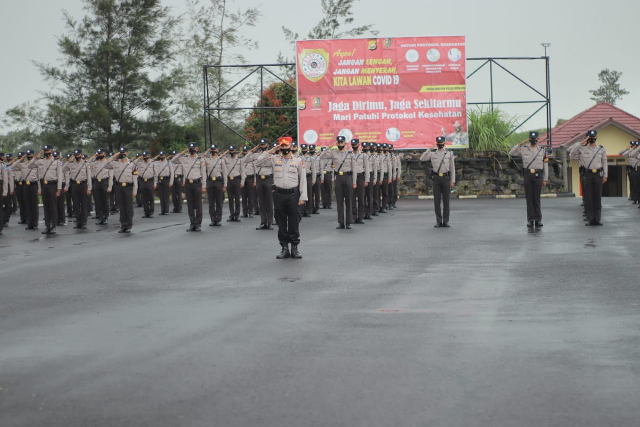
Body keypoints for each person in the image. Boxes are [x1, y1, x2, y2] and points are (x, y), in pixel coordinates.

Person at [256, 136, 307, 259]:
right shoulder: (274, 159)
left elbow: (303, 179)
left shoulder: (298, 160)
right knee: (281, 221)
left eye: (286, 145)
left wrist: (303, 196)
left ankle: (294, 248)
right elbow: (259, 162)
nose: (284, 148)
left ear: (290, 146)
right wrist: (271, 150)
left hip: (293, 195)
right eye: (282, 146)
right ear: (280, 146)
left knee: (294, 222)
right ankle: (284, 248)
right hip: (279, 194)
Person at [509, 131, 548, 228]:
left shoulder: (542, 151)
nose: (533, 141)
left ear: (537, 139)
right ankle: (530, 220)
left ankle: (538, 220)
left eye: (535, 139)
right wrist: (520, 144)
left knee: (537, 199)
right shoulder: (524, 149)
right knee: (529, 198)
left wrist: (545, 179)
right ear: (529, 139)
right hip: (528, 175)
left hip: (538, 175)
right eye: (531, 139)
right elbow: (511, 152)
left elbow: (545, 165)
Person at [569, 130, 607, 226]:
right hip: (587, 174)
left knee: (597, 197)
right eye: (590, 137)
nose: (592, 139)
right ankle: (591, 219)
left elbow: (604, 162)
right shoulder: (582, 148)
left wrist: (605, 175)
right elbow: (572, 154)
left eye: (593, 137)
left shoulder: (601, 149)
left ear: (596, 137)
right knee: (589, 197)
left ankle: (597, 219)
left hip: (598, 174)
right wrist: (581, 142)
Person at [319, 135, 357, 229]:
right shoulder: (333, 153)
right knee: (339, 201)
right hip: (338, 179)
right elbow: (321, 156)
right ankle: (341, 222)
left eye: (342, 142)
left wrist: (354, 182)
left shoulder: (350, 154)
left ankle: (348, 222)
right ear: (337, 143)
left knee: (348, 201)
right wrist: (329, 147)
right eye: (338, 142)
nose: (340, 144)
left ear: (345, 143)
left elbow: (354, 169)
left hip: (348, 177)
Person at [27, 145, 63, 234]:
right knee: (46, 207)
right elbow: (29, 166)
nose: (46, 152)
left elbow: (60, 176)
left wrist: (59, 189)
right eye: (45, 150)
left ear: (51, 150)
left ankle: (53, 226)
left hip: (52, 185)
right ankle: (47, 226)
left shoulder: (56, 162)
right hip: (44, 185)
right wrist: (36, 158)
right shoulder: (40, 161)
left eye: (48, 150)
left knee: (53, 207)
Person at [420, 136, 456, 227]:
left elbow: (452, 168)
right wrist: (429, 149)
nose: (440, 144)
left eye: (441, 143)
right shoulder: (432, 154)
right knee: (437, 201)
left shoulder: (449, 154)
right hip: (436, 179)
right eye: (438, 143)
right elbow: (422, 158)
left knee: (446, 201)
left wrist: (453, 180)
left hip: (446, 178)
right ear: (436, 144)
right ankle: (439, 221)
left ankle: (446, 221)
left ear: (444, 144)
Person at [173, 142, 207, 231]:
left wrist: (204, 186)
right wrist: (183, 152)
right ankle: (192, 224)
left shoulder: (201, 159)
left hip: (197, 183)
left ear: (197, 149)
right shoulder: (184, 158)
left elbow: (203, 173)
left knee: (198, 205)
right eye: (190, 148)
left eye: (193, 148)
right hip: (188, 184)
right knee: (190, 205)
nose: (192, 150)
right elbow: (173, 160)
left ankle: (198, 224)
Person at [104, 147, 138, 233]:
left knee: (128, 207)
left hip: (128, 187)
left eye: (123, 153)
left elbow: (135, 179)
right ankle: (123, 225)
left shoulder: (132, 164)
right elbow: (105, 165)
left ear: (127, 154)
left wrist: (135, 191)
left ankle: (129, 225)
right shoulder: (115, 163)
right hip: (119, 187)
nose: (122, 155)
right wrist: (114, 157)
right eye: (121, 153)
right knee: (122, 207)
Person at [243, 139, 274, 230]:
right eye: (261, 144)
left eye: (264, 144)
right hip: (259, 179)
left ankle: (270, 222)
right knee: (261, 202)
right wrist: (251, 151)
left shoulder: (271, 155)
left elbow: (274, 167)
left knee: (269, 201)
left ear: (267, 145)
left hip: (268, 179)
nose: (262, 146)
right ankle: (263, 222)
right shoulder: (256, 155)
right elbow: (245, 160)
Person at [63, 149, 93, 230]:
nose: (77, 156)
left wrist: (89, 188)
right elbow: (63, 169)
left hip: (83, 185)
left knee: (83, 204)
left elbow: (89, 177)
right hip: (74, 185)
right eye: (75, 155)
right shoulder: (71, 164)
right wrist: (68, 162)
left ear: (81, 155)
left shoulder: (86, 164)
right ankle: (78, 221)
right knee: (76, 204)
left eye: (78, 155)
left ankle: (83, 222)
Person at [13, 150, 40, 230]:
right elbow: (12, 166)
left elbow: (39, 176)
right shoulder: (22, 164)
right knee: (27, 205)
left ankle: (35, 224)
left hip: (33, 185)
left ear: (33, 155)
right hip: (25, 185)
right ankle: (29, 223)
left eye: (30, 154)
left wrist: (39, 188)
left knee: (34, 205)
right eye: (27, 154)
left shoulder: (36, 163)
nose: (28, 155)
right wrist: (20, 159)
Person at [204, 144, 227, 226]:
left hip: (218, 182)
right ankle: (213, 219)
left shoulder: (221, 160)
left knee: (219, 202)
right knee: (211, 202)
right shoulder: (207, 160)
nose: (213, 151)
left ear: (217, 150)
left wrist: (225, 185)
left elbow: (224, 173)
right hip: (210, 182)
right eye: (211, 149)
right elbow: (203, 167)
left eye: (214, 149)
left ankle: (218, 219)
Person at [91, 148, 113, 225]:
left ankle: (105, 217)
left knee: (105, 201)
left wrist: (110, 187)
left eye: (101, 153)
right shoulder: (94, 163)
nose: (99, 155)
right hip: (96, 182)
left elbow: (111, 176)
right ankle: (100, 217)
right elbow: (87, 163)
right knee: (98, 201)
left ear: (104, 154)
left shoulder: (108, 163)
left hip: (104, 182)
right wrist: (93, 157)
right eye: (98, 154)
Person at [350, 139, 370, 224]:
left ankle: (360, 217)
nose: (354, 146)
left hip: (361, 177)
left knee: (361, 198)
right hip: (351, 178)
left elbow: (367, 168)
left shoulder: (363, 155)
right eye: (353, 145)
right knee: (352, 198)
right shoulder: (349, 155)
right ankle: (354, 216)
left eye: (355, 144)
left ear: (358, 145)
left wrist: (367, 180)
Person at [224, 145, 244, 222]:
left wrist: (242, 182)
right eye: (230, 150)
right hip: (229, 180)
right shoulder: (226, 159)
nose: (231, 152)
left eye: (233, 150)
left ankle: (237, 215)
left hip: (237, 179)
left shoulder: (240, 160)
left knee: (237, 199)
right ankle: (232, 214)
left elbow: (242, 171)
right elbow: (219, 158)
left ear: (235, 150)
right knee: (230, 199)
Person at [137, 151, 156, 218]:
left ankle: (151, 211)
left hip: (150, 181)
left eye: (146, 156)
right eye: (144, 156)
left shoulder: (153, 163)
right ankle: (146, 212)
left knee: (151, 197)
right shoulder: (140, 163)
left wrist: (155, 183)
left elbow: (155, 174)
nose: (145, 157)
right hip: (142, 181)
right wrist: (139, 158)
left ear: (149, 155)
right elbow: (133, 163)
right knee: (144, 198)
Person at [154, 151, 173, 215]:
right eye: (160, 155)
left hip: (166, 180)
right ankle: (162, 210)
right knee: (161, 196)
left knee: (166, 196)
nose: (161, 157)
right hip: (160, 180)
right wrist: (155, 182)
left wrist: (171, 181)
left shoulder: (169, 163)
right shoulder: (157, 163)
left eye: (162, 155)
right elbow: (156, 174)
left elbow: (172, 173)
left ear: (165, 155)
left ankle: (166, 210)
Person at [299, 143, 315, 217]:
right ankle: (301, 210)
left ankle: (308, 211)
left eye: (305, 149)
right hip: (301, 177)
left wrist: (313, 179)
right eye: (303, 149)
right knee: (301, 193)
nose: (304, 150)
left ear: (307, 149)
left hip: (308, 176)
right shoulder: (298, 157)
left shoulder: (310, 158)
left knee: (309, 193)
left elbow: (313, 169)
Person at [241, 145, 256, 218]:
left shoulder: (252, 160)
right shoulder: (241, 160)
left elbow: (255, 171)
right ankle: (245, 212)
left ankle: (251, 212)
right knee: (244, 196)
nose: (245, 152)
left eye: (246, 151)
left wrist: (255, 181)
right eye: (244, 151)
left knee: (250, 196)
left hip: (250, 178)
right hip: (243, 179)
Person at [364, 142, 377, 220]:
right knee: (362, 196)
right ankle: (363, 212)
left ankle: (369, 212)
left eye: (367, 147)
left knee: (369, 195)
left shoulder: (372, 157)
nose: (366, 148)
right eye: (364, 147)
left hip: (370, 176)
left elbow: (375, 168)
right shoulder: (360, 156)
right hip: (362, 176)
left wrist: (375, 179)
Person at [1, 160, 14, 235]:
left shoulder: (6, 166)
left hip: (6, 186)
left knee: (8, 204)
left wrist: (11, 189)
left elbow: (10, 178)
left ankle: (5, 220)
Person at [309, 144, 321, 214]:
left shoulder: (318, 158)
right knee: (310, 193)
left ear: (314, 149)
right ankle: (310, 207)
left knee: (317, 193)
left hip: (317, 176)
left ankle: (316, 207)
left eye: (312, 149)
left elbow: (321, 167)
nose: (311, 151)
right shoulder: (307, 157)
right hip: (310, 176)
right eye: (310, 150)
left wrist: (322, 177)